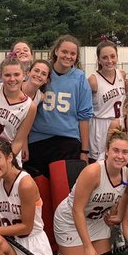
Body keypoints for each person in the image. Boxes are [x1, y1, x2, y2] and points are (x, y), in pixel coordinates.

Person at [54, 130, 128, 255]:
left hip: (96, 222)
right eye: (116, 150)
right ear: (107, 152)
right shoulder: (92, 172)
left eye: (125, 152)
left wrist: (119, 215)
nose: (120, 156)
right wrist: (87, 246)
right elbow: (77, 210)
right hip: (70, 221)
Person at [26, 34, 93, 177]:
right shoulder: (42, 73)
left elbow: (84, 117)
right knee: (39, 193)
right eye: (64, 51)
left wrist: (84, 151)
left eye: (72, 53)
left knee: (62, 192)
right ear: (56, 51)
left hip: (67, 142)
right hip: (38, 140)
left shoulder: (80, 78)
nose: (68, 56)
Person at [0, 57, 38, 162]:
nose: (12, 79)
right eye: (7, 75)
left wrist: (5, 161)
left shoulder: (30, 106)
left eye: (16, 74)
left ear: (24, 75)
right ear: (0, 76)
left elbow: (19, 141)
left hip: (7, 158)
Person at [89, 37, 124, 160]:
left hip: (119, 124)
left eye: (112, 56)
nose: (109, 61)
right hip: (100, 125)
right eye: (104, 57)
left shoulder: (122, 75)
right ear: (98, 60)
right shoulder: (93, 80)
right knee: (100, 162)